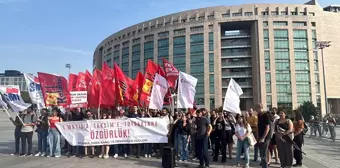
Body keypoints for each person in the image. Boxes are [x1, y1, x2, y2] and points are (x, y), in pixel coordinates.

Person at [256, 104, 272, 168]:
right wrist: (257, 136)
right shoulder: (259, 115)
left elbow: (267, 128)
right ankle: (263, 166)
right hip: (260, 136)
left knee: (263, 153)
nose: (256, 110)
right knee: (261, 154)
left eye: (257, 109)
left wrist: (263, 138)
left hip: (266, 137)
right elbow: (258, 126)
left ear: (261, 108)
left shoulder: (266, 115)